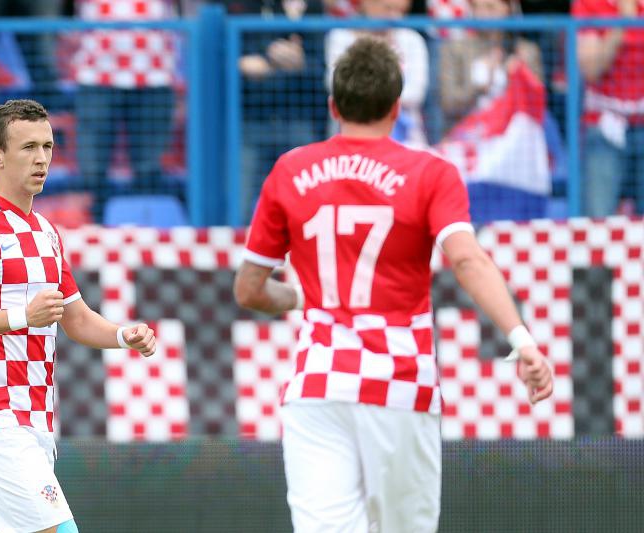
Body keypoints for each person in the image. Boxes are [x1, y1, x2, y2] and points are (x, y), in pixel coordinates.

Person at [233, 38, 553, 532]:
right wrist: (522, 340)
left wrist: (301, 295)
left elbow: (249, 289)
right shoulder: (430, 173)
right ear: (397, 106)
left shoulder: (291, 170)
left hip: (317, 385)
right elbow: (467, 259)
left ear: (334, 106)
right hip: (398, 385)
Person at [0, 99, 157, 533]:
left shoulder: (46, 231)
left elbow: (77, 318)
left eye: (48, 146)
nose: (42, 158)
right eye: (28, 147)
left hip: (34, 420)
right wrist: (20, 317)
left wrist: (126, 335)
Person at [72, 0, 181, 222]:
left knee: (148, 167)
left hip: (154, 73)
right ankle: (94, 224)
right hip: (96, 72)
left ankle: (147, 228)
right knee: (93, 166)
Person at [235, 0, 328, 218]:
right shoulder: (245, 6)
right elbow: (234, 55)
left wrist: (300, 62)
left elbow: (321, 65)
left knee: (307, 204)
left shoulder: (314, 6)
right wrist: (268, 57)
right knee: (240, 205)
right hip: (251, 118)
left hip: (299, 118)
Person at [325, 0, 430, 147]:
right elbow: (334, 84)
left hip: (405, 137)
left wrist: (366, 94)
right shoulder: (341, 36)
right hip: (350, 132)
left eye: (400, 11)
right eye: (388, 9)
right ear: (367, 4)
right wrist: (383, 95)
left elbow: (415, 93)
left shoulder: (412, 39)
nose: (394, 17)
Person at [573, 0, 644, 217]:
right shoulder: (589, 3)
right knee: (598, 221)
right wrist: (622, 23)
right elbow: (591, 69)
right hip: (604, 126)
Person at [438, 0, 543, 135]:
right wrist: (479, 86)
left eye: (490, 7)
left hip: (514, 139)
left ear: (508, 10)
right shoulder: (455, 49)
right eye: (477, 7)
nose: (482, 15)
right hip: (468, 137)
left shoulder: (527, 52)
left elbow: (537, 106)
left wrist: (519, 76)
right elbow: (449, 104)